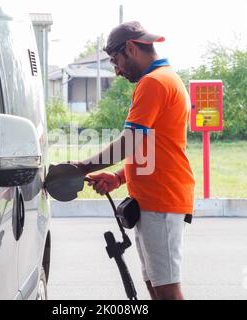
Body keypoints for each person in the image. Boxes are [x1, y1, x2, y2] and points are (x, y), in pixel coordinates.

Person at [72, 21, 195, 300]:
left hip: (161, 202)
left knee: (166, 290)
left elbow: (130, 142)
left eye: (116, 60)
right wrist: (118, 177)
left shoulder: (154, 82)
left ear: (130, 48)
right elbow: (151, 147)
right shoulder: (165, 78)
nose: (116, 70)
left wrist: (83, 167)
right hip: (153, 201)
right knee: (155, 286)